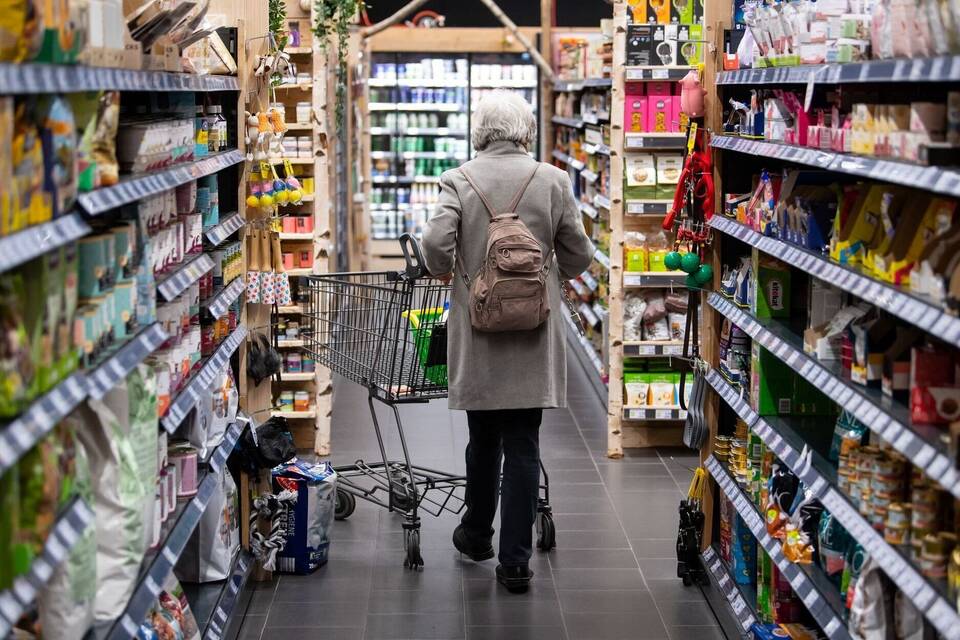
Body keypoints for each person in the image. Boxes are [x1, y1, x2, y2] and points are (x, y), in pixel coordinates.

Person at [421, 91, 594, 593]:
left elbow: (435, 246)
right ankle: (515, 562)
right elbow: (579, 256)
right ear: (526, 131)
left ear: (480, 133)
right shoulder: (553, 180)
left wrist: (452, 269)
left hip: (478, 334)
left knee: (484, 440)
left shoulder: (458, 179)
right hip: (534, 335)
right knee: (523, 442)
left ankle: (476, 534)